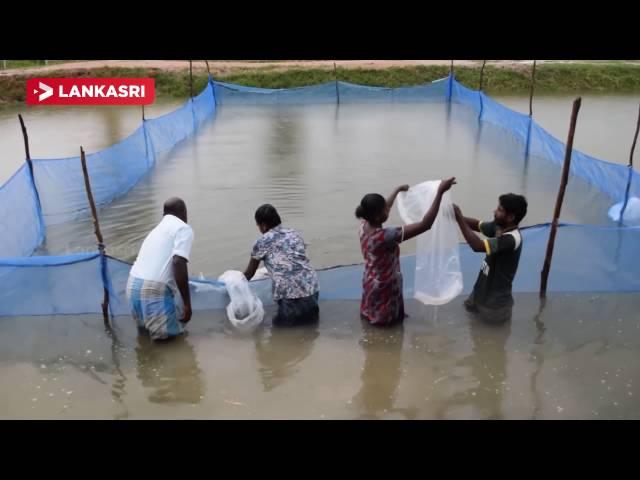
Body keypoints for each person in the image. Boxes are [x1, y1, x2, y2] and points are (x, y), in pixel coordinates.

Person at [356, 178, 456, 326]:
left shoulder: (363, 226)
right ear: (377, 216)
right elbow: (425, 225)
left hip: (370, 280)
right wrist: (440, 193)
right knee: (386, 324)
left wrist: (397, 190)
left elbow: (383, 209)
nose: (388, 209)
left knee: (373, 314)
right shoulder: (386, 236)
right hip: (385, 285)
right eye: (385, 209)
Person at [453, 193, 528, 324]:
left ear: (510, 217)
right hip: (478, 295)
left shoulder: (511, 240)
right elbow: (478, 225)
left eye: (499, 210)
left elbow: (477, 246)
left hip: (495, 308)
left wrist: (459, 218)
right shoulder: (499, 227)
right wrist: (454, 215)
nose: (494, 211)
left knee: (489, 341)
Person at [126, 197, 194, 340]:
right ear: (184, 212)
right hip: (154, 290)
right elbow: (178, 262)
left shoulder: (157, 230)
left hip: (133, 286)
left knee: (144, 340)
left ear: (164, 214)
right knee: (168, 346)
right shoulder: (182, 228)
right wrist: (187, 303)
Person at [243, 204, 319, 326]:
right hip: (311, 287)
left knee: (282, 333)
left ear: (263, 225)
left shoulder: (261, 242)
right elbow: (296, 261)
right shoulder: (295, 234)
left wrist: (231, 284)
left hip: (289, 295)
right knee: (310, 327)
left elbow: (249, 274)